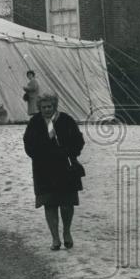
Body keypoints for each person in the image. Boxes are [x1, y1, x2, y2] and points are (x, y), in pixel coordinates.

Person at [23, 92, 85, 251]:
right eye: (43, 107)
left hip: (65, 168)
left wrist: (68, 152)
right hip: (44, 170)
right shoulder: (35, 122)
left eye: (49, 106)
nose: (47, 110)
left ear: (55, 106)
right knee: (49, 204)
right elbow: (28, 143)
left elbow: (79, 140)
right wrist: (39, 155)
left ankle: (67, 233)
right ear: (39, 108)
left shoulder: (66, 120)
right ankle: (55, 238)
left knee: (66, 204)